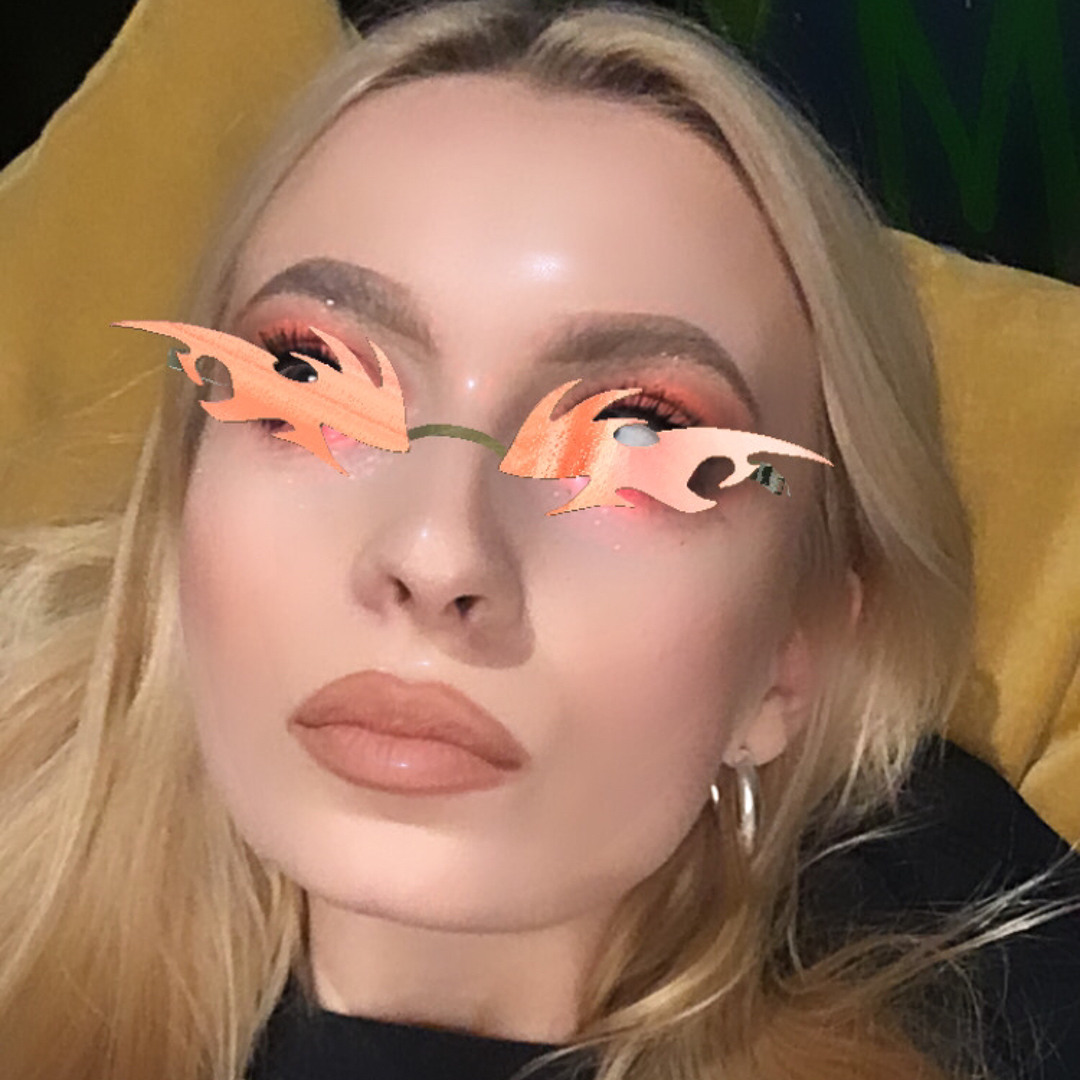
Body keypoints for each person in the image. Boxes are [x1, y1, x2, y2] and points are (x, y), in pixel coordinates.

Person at [1, 1, 1078, 1078]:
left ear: (797, 657)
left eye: (636, 438)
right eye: (307, 382)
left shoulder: (989, 961)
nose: (437, 553)